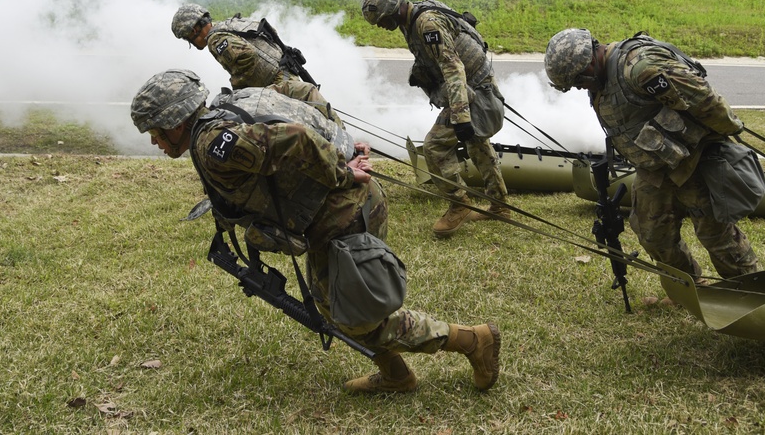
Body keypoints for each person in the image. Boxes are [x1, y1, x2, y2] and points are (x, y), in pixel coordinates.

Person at [130, 69, 501, 394]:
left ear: (175, 121)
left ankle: (472, 340)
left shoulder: (213, 144)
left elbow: (294, 139)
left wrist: (342, 169)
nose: (154, 142)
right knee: (336, 303)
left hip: (343, 213)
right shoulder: (232, 102)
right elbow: (304, 95)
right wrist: (343, 142)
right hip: (341, 210)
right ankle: (395, 374)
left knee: (360, 321)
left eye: (155, 132)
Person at [543, 28, 760, 280]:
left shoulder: (641, 67)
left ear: (590, 61)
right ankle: (691, 288)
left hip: (693, 162)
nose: (581, 88)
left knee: (716, 236)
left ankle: (750, 290)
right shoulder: (599, 79)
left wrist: (728, 132)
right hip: (654, 169)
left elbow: (704, 100)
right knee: (653, 234)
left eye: (579, 81)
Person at [360, 0, 510, 238]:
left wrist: (460, 116)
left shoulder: (426, 24)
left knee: (434, 146)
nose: (382, 26)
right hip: (473, 85)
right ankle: (499, 205)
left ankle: (459, 203)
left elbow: (453, 68)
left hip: (470, 89)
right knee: (477, 143)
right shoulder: (412, 21)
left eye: (383, 19)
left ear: (394, 9)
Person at [171, 3, 312, 89]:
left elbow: (246, 55)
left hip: (279, 85)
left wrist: (238, 88)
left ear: (193, 31)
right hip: (288, 74)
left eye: (187, 38)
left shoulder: (215, 40)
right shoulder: (231, 24)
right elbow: (271, 32)